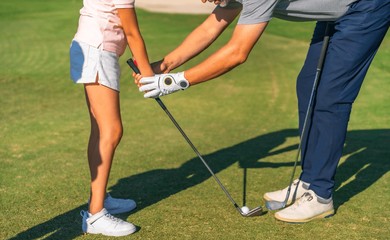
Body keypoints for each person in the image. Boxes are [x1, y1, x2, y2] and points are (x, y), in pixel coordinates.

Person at [134, 0, 389, 223]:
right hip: (336, 8)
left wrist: (172, 82)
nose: (204, 1)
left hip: (365, 7)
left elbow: (237, 53)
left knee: (331, 96)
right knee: (308, 85)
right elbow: (210, 27)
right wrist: (164, 65)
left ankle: (321, 195)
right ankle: (310, 179)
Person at [70, 0, 154, 236]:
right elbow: (132, 32)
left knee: (100, 130)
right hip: (97, 49)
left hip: (93, 47)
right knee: (111, 131)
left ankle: (99, 198)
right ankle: (95, 215)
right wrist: (149, 76)